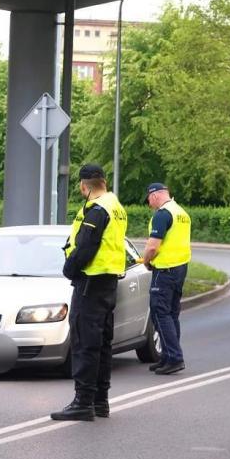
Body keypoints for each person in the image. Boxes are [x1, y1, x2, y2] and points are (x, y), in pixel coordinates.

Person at [51, 164, 128, 421]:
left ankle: (83, 402)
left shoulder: (97, 210)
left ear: (85, 186)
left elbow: (85, 247)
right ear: (104, 182)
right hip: (108, 281)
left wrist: (69, 269)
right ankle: (99, 401)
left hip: (90, 283)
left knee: (85, 343)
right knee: (102, 343)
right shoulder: (116, 206)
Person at [141, 183, 191, 375]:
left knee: (159, 313)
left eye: (149, 199)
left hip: (164, 270)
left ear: (155, 195)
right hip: (180, 269)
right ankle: (168, 357)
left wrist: (146, 261)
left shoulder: (162, 214)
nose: (149, 203)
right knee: (171, 314)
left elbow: (153, 247)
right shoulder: (181, 213)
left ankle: (175, 357)